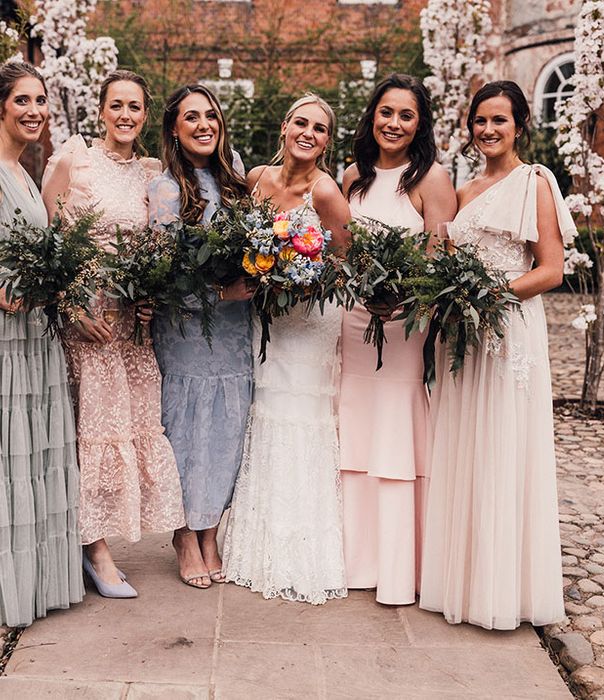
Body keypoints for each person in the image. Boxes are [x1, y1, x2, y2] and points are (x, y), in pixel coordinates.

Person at [419, 81, 572, 629]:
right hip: (465, 336)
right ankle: (463, 579)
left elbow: (551, 269)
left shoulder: (535, 181)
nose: (487, 130)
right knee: (468, 444)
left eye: (499, 121)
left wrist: (487, 297)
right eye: (479, 120)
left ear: (520, 126)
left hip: (509, 330)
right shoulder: (466, 187)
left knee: (505, 446)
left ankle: (505, 589)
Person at [42, 70, 186, 598]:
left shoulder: (152, 172)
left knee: (130, 426)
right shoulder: (72, 160)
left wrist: (151, 292)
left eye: (136, 107)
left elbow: (161, 246)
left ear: (146, 116)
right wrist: (69, 302)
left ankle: (99, 541)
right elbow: (47, 245)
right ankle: (96, 550)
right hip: (88, 320)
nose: (126, 115)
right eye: (117, 105)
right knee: (93, 431)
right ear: (100, 110)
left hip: (131, 324)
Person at [222, 94, 350, 605]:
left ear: (326, 141)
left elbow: (344, 265)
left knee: (300, 417)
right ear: (284, 126)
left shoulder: (327, 193)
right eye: (302, 122)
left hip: (308, 321)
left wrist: (298, 283)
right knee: (266, 410)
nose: (308, 133)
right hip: (265, 318)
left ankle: (305, 550)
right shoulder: (256, 179)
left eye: (319, 129)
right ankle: (257, 544)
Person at [339, 74, 456, 605]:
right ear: (372, 116)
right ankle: (352, 560)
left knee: (395, 427)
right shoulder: (350, 179)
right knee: (355, 432)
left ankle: (398, 567)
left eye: (406, 115)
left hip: (405, 324)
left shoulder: (432, 178)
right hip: (352, 320)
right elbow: (338, 254)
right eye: (386, 112)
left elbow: (440, 259)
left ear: (419, 124)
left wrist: (408, 299)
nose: (394, 123)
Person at [148, 84, 252, 590]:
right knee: (187, 429)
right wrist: (216, 288)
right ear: (174, 128)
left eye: (211, 115)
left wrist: (256, 274)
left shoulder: (234, 179)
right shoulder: (168, 189)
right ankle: (184, 533)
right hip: (189, 327)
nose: (204, 125)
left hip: (235, 329)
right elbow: (165, 272)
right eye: (192, 118)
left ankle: (210, 530)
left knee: (228, 426)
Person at [0, 61, 83, 623]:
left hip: (35, 333)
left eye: (41, 100)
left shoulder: (24, 170)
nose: (35, 111)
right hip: (6, 336)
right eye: (23, 100)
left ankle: (33, 582)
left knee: (31, 456)